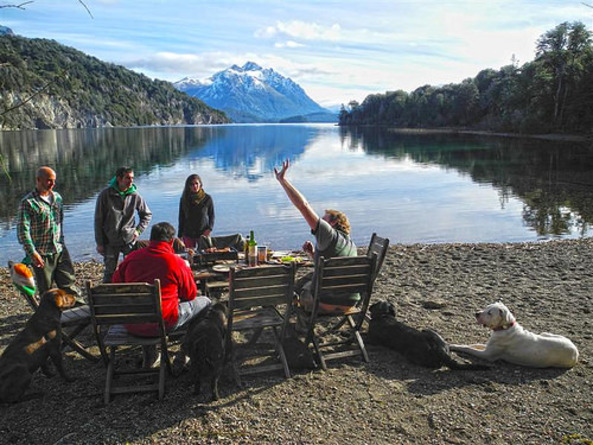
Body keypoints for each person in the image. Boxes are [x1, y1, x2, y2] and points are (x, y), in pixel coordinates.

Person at [274, 159, 358, 314]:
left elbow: (303, 206)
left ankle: (298, 327)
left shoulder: (328, 234)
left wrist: (283, 180)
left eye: (324, 219)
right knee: (307, 279)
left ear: (332, 223)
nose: (320, 221)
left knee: (295, 289)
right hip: (349, 302)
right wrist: (313, 255)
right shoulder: (350, 244)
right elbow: (331, 269)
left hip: (325, 302)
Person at [112, 221, 211, 337]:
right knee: (206, 302)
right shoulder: (176, 262)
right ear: (171, 241)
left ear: (150, 239)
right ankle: (188, 338)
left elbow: (116, 285)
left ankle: (152, 349)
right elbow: (190, 295)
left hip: (132, 323)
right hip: (163, 324)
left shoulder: (131, 258)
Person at [16, 166, 80, 299]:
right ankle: (50, 316)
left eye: (54, 180)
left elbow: (60, 223)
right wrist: (32, 253)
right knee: (47, 290)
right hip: (42, 253)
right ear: (39, 180)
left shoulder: (57, 198)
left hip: (59, 248)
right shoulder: (28, 203)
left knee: (69, 283)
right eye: (49, 180)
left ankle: (79, 313)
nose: (53, 184)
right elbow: (23, 232)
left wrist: (62, 241)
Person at [94, 166, 152, 283]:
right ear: (119, 179)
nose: (131, 181)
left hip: (128, 239)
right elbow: (98, 220)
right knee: (109, 271)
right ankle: (107, 295)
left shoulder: (135, 195)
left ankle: (131, 293)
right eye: (128, 178)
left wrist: (138, 231)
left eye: (132, 178)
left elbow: (147, 215)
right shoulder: (105, 195)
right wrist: (100, 243)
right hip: (110, 240)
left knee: (132, 269)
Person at [178, 174, 215, 250]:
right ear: (188, 186)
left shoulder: (207, 198)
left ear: (200, 184)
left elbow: (212, 215)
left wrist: (209, 229)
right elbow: (181, 217)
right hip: (188, 233)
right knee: (190, 255)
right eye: (192, 184)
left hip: (203, 232)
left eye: (196, 183)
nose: (194, 186)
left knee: (204, 254)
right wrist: (180, 235)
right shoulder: (184, 199)